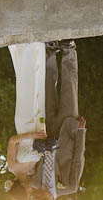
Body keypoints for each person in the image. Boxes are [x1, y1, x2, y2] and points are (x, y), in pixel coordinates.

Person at [30, 40, 87, 197]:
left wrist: (37, 144)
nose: (42, 193)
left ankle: (50, 51)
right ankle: (69, 50)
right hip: (68, 130)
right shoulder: (70, 187)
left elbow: (32, 159)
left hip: (46, 129)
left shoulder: (34, 183)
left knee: (47, 86)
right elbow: (77, 159)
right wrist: (81, 132)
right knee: (69, 86)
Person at [5, 42, 53, 199]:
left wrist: (31, 134)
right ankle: (37, 49)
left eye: (28, 192)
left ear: (21, 188)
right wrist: (43, 135)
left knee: (26, 87)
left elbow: (12, 141)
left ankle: (25, 49)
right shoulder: (32, 171)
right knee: (38, 90)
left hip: (25, 125)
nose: (31, 191)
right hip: (39, 128)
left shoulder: (13, 167)